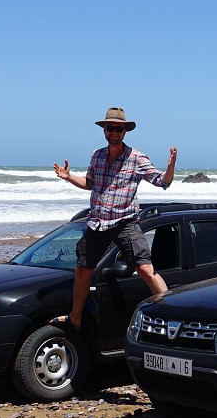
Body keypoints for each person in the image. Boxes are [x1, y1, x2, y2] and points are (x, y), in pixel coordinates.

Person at [52, 107, 178, 330]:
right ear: (104, 130)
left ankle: (171, 315)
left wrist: (170, 167)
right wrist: (68, 176)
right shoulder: (97, 155)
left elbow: (162, 182)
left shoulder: (136, 158)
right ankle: (75, 318)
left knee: (146, 269)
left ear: (125, 131)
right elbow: (90, 183)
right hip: (98, 222)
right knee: (83, 270)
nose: (114, 132)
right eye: (110, 128)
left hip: (124, 223)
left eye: (118, 129)